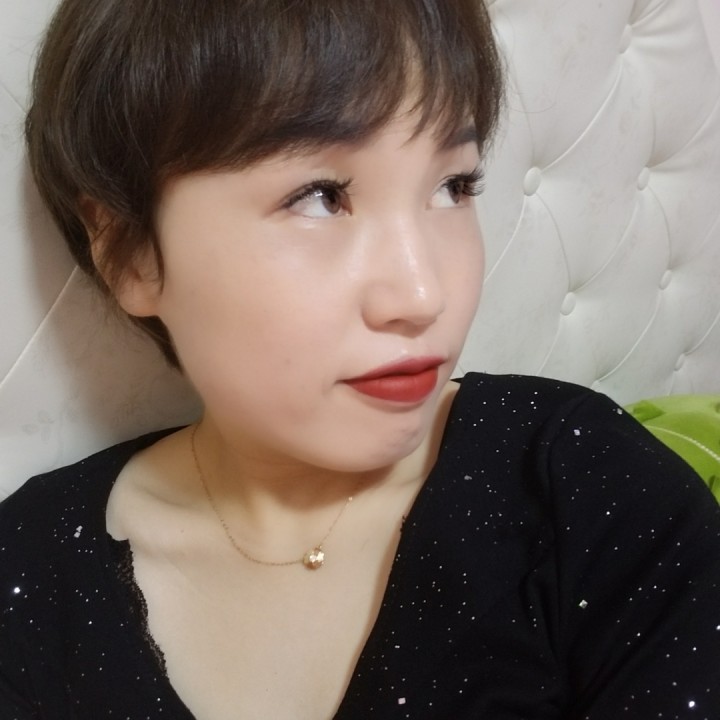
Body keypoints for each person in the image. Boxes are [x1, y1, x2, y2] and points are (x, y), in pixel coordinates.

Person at [2, 0, 720, 718]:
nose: (423, 294)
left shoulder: (584, 485)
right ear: (129, 252)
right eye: (320, 196)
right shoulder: (29, 581)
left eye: (454, 186)